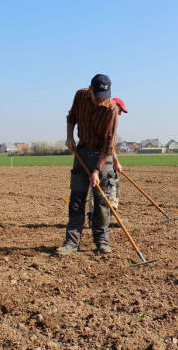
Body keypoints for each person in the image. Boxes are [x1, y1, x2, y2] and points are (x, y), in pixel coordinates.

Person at [56, 74, 120, 256]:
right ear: (90, 90)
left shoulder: (112, 109)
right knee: (76, 200)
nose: (101, 101)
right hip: (82, 152)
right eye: (97, 96)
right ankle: (71, 242)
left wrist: (97, 170)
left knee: (101, 201)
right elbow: (71, 117)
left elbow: (108, 145)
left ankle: (102, 241)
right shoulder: (80, 96)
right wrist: (70, 137)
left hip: (102, 155)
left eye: (104, 97)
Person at [87, 97, 128, 228]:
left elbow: (110, 145)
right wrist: (115, 161)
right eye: (120, 110)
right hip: (100, 158)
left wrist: (115, 161)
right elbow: (107, 145)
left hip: (102, 157)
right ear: (114, 106)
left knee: (107, 185)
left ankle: (104, 218)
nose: (120, 114)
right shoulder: (105, 119)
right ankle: (98, 219)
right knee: (103, 187)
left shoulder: (106, 118)